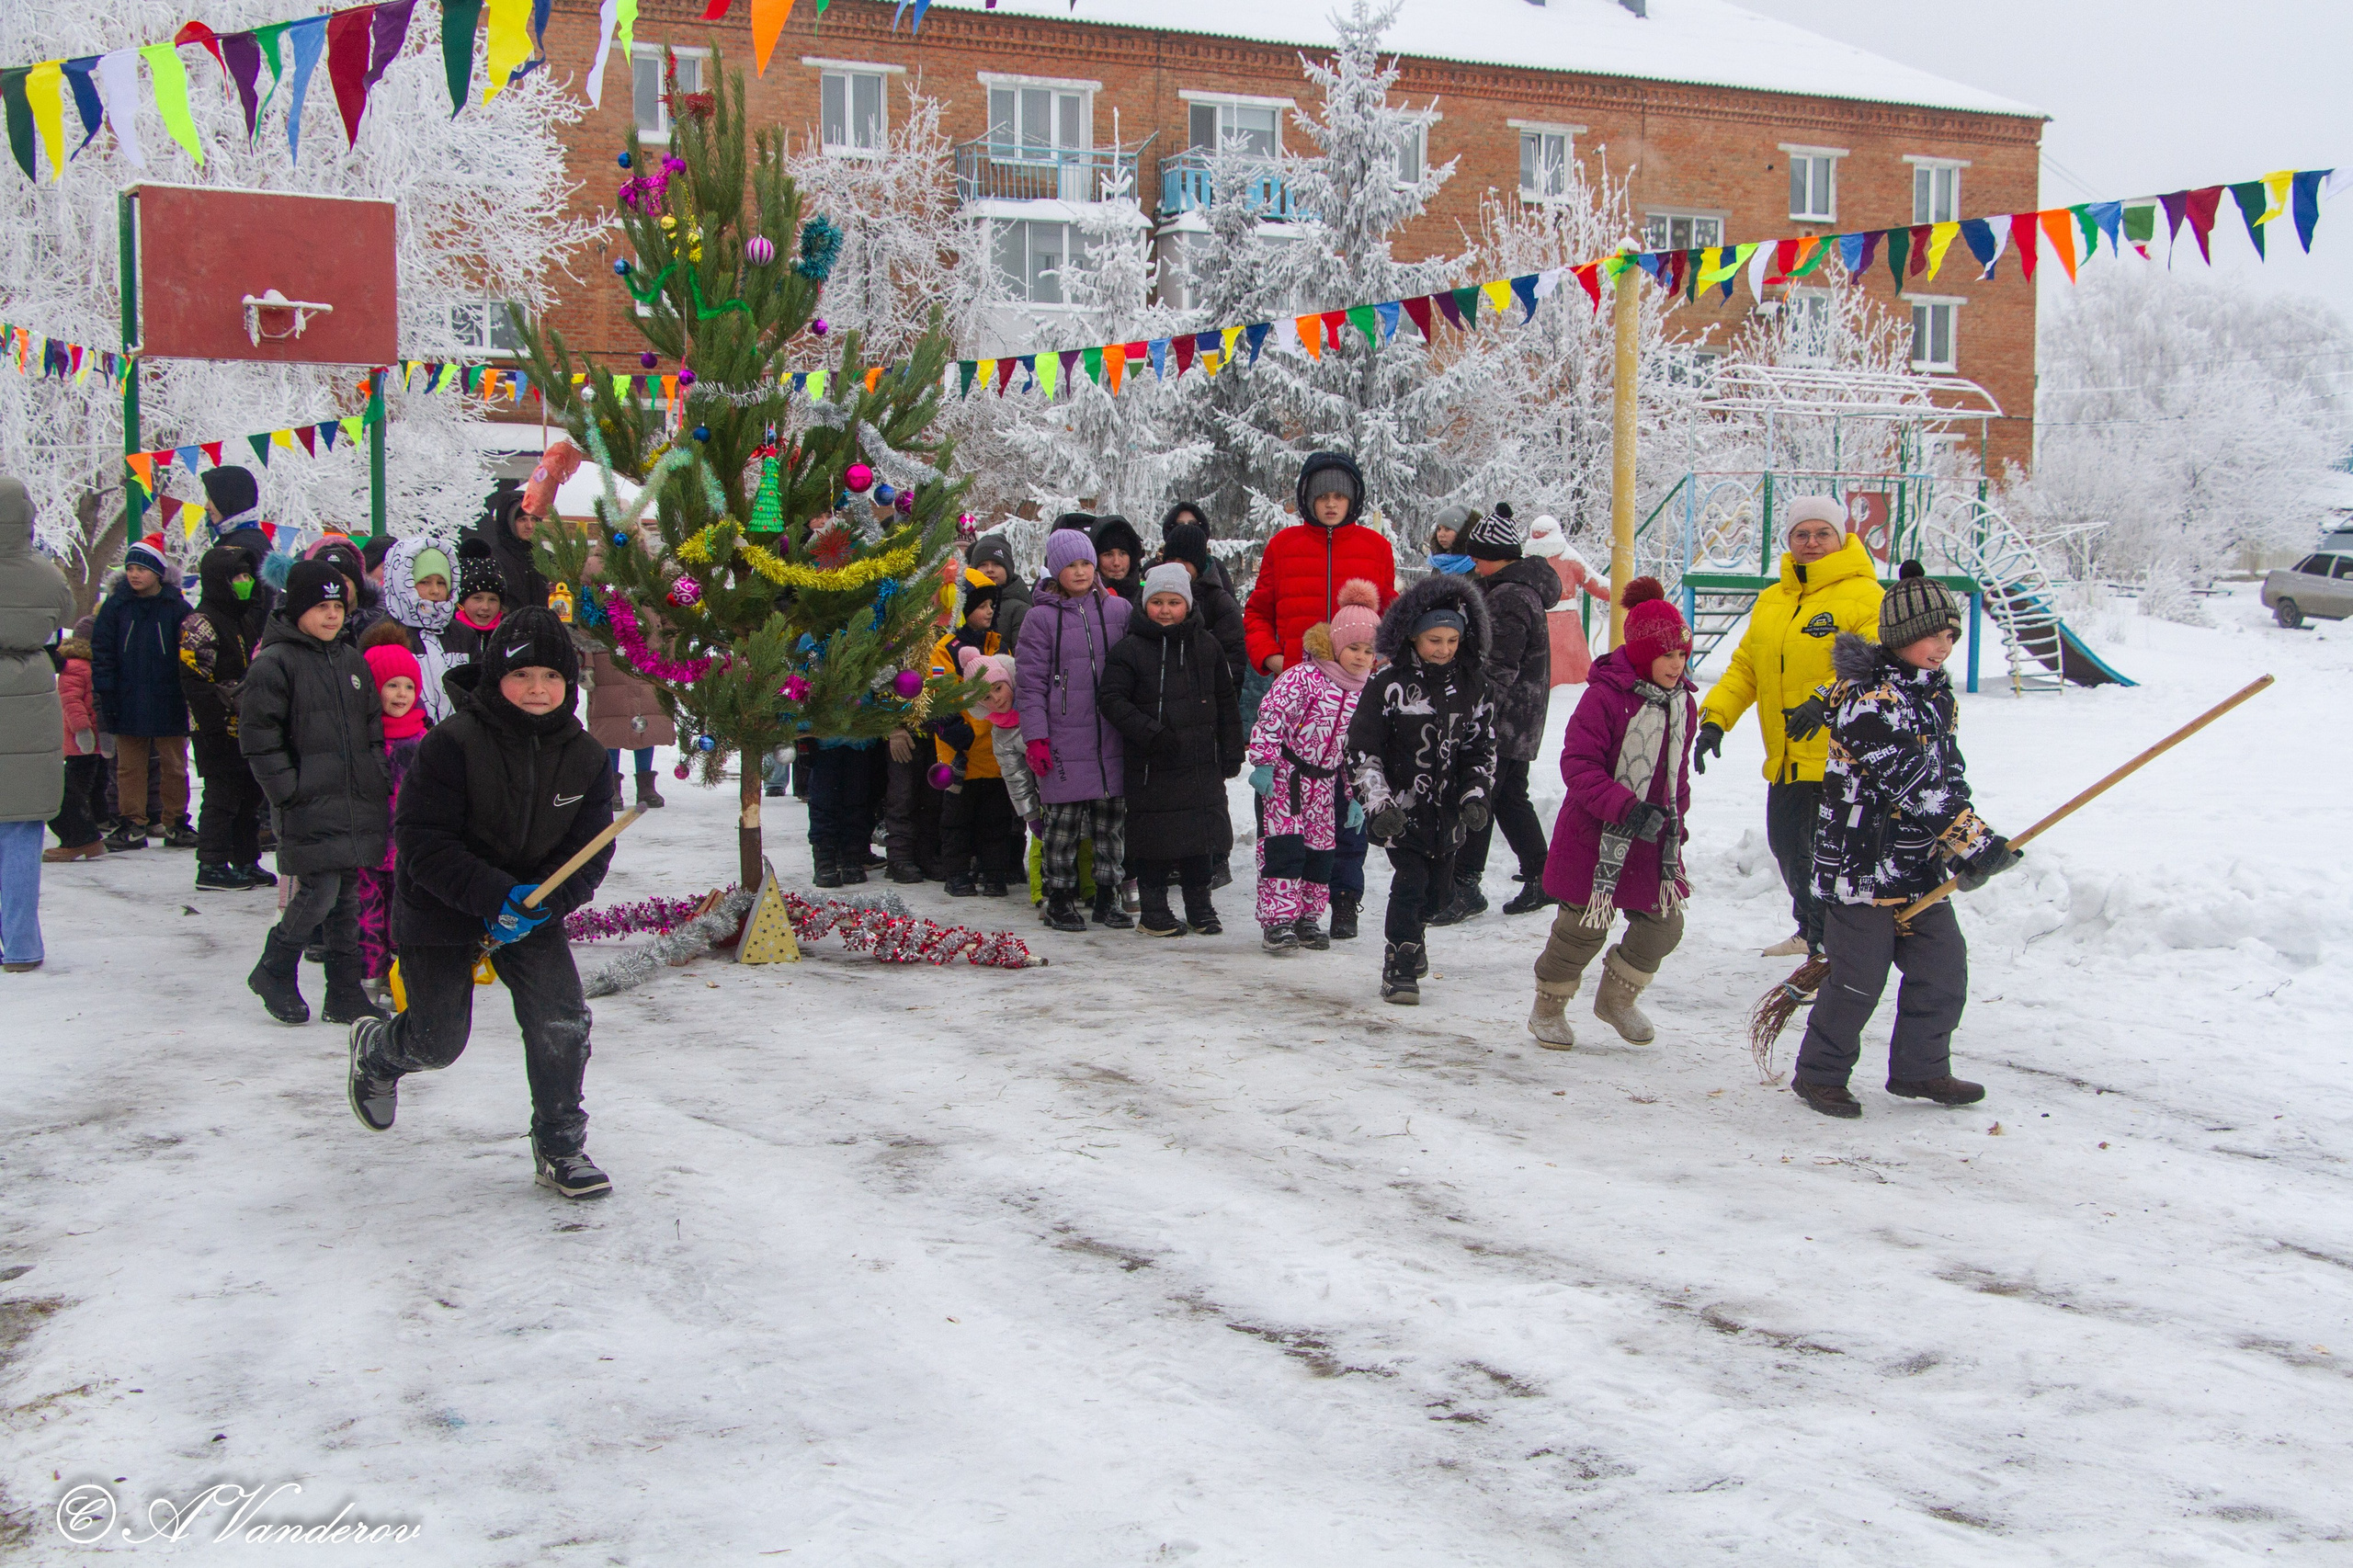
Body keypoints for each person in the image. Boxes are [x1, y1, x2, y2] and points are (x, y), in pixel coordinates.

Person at [347, 607, 618, 1199]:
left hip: (532, 911)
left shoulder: (588, 757)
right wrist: (496, 894)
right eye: (523, 676)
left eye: (552, 676)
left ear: (569, 684)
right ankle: (381, 1050)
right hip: (441, 906)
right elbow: (421, 845)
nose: (538, 689)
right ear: (497, 678)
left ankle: (560, 1144)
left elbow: (590, 853)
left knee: (561, 1021)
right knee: (438, 1042)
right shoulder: (451, 745)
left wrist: (543, 903)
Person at [1791, 566, 2022, 1119]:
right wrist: (1973, 839)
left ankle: (1921, 1069)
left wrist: (1962, 850)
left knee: (1944, 969)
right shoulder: (1866, 701)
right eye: (1932, 634)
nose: (1943, 646)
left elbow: (1948, 776)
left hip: (1915, 866)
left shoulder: (1936, 697)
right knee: (1857, 980)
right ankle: (1819, 1075)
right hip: (1861, 866)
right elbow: (1911, 782)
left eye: (1951, 636)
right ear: (1899, 635)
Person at [1696, 495, 1883, 959]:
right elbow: (1745, 667)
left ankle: (1835, 945)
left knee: (1832, 858)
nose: (1812, 543)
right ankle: (1811, 931)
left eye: (1823, 534)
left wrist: (1823, 701)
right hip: (1786, 756)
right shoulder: (1772, 600)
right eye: (1802, 534)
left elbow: (1872, 665)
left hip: (1841, 758)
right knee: (1788, 847)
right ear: (1789, 540)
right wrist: (1716, 720)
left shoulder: (1866, 595)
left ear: (1841, 538)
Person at [1526, 580, 1698, 1050]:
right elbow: (1578, 766)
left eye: (1682, 655)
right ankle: (1549, 1008)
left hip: (1652, 838)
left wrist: (1675, 819)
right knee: (1582, 927)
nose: (1676, 666)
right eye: (1667, 656)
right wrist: (1626, 807)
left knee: (1664, 924)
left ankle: (1617, 999)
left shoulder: (1683, 702)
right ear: (1642, 654)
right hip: (1596, 835)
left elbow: (1675, 774)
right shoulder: (1604, 697)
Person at [239, 561, 392, 1027]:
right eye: (321, 607)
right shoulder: (274, 663)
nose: (332, 616)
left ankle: (344, 992)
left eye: (339, 607)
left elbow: (370, 726)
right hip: (307, 801)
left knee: (346, 896)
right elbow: (259, 737)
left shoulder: (350, 660)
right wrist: (288, 789)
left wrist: (374, 771)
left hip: (352, 800)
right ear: (297, 608)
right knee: (319, 891)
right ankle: (274, 967)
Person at [1346, 574, 1496, 1005]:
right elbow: (1362, 751)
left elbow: (1481, 748)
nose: (1443, 648)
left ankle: (1418, 931)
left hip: (1450, 814)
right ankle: (1400, 960)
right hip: (1402, 811)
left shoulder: (1475, 686)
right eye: (1434, 639)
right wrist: (1379, 803)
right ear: (1413, 637)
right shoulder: (1387, 685)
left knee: (1441, 893)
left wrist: (1476, 796)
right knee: (1410, 883)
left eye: (1452, 639)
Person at [1097, 563, 1244, 937]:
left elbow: (1226, 700)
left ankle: (1200, 906)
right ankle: (1154, 910)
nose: (1165, 610)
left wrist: (1230, 749)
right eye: (1157, 602)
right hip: (1153, 763)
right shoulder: (1129, 649)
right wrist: (1151, 733)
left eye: (1174, 602)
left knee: (1201, 838)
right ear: (1145, 604)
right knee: (1154, 840)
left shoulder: (1207, 645)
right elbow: (1112, 699)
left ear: (1188, 603)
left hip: (1200, 762)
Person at [1436, 508, 1563, 925]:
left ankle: (1466, 886)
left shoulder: (1508, 597)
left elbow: (1497, 670)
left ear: (1495, 555)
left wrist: (1467, 710)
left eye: (1478, 555)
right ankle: (1543, 874)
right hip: (1520, 719)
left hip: (1502, 720)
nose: (1473, 563)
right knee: (1509, 797)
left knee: (1480, 794)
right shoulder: (1517, 589)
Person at [1246, 579, 1378, 954]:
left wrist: (1355, 796)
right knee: (1284, 848)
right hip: (1285, 778)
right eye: (1353, 647)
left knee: (1321, 853)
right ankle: (1278, 921)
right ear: (1336, 644)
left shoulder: (1365, 693)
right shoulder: (1304, 677)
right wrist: (1264, 762)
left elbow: (1356, 751)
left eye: (1368, 651)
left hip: (1325, 785)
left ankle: (1308, 917)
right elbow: (1270, 715)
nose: (1360, 656)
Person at [1016, 528, 1132, 932]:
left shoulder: (1118, 611)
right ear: (1055, 569)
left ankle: (1107, 895)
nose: (1081, 571)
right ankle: (1060, 898)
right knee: (1062, 828)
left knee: (1109, 824)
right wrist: (1036, 737)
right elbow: (1029, 684)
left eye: (1086, 563)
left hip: (1112, 735)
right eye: (1071, 565)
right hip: (1064, 737)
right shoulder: (1040, 618)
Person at [0, 477, 75, 971]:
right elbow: (67, 613)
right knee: (23, 834)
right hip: (29, 695)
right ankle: (23, 945)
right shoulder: (46, 574)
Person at [1245, 455, 1399, 680]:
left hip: (1357, 684)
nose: (1331, 504)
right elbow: (1257, 614)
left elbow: (1391, 614)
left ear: (1353, 499)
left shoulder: (1377, 548)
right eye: (1322, 496)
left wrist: (1382, 657)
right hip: (1296, 681)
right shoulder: (1282, 546)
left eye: (1339, 496)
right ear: (1308, 499)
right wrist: (1274, 659)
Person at [91, 540, 195, 852]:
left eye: (142, 569)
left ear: (158, 573)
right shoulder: (115, 607)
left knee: (174, 764)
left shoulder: (177, 607)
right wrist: (106, 692)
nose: (135, 575)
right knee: (129, 765)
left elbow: (190, 652)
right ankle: (132, 823)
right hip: (128, 696)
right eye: (131, 568)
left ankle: (176, 821)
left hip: (169, 696)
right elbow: (102, 652)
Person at [178, 541, 270, 891]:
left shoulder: (244, 618)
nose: (245, 581)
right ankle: (212, 863)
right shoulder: (200, 621)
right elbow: (194, 680)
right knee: (221, 797)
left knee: (249, 796)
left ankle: (246, 860)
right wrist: (214, 727)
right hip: (215, 728)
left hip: (246, 725)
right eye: (238, 576)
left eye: (249, 575)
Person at [927, 574, 1013, 894]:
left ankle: (994, 872)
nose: (989, 611)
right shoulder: (945, 649)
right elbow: (937, 693)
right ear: (962, 609)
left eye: (992, 605)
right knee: (957, 819)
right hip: (961, 751)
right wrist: (954, 730)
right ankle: (958, 873)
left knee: (996, 818)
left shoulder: (999, 644)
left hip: (995, 748)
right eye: (981, 606)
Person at [356, 641, 431, 1004]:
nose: (401, 694)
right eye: (391, 685)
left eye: (409, 686)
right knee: (368, 912)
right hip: (368, 843)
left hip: (407, 848)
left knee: (403, 914)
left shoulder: (425, 739)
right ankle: (370, 976)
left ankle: (403, 976)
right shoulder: (363, 738)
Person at [44, 617, 107, 863]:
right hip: (79, 738)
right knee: (81, 780)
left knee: (60, 781)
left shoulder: (76, 666)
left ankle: (81, 834)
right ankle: (84, 831)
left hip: (79, 739)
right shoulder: (83, 666)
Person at [381, 535, 461, 723]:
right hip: (407, 740)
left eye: (441, 583)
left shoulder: (462, 635)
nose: (435, 591)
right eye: (424, 582)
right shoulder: (384, 635)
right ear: (404, 582)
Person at [200, 466, 278, 645]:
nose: (206, 506)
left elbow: (248, 611)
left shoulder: (242, 547)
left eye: (211, 498)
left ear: (227, 500)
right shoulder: (249, 538)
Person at [477, 481, 548, 613]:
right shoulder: (493, 561)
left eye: (533, 519)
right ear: (508, 522)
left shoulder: (549, 560)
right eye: (522, 519)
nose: (530, 526)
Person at [967, 532, 1031, 649]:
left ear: (1008, 569)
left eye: (997, 564)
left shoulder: (1020, 610)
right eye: (983, 565)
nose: (990, 569)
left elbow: (1024, 657)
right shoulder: (963, 605)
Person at [1090, 515, 1147, 606]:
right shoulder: (1085, 600)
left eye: (1122, 553)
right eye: (1108, 555)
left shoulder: (1147, 598)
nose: (1116, 562)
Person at [1426, 504, 1477, 574]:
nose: (1441, 534)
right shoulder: (1439, 564)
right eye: (1439, 529)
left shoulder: (1478, 566)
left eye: (1447, 529)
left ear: (1462, 532)